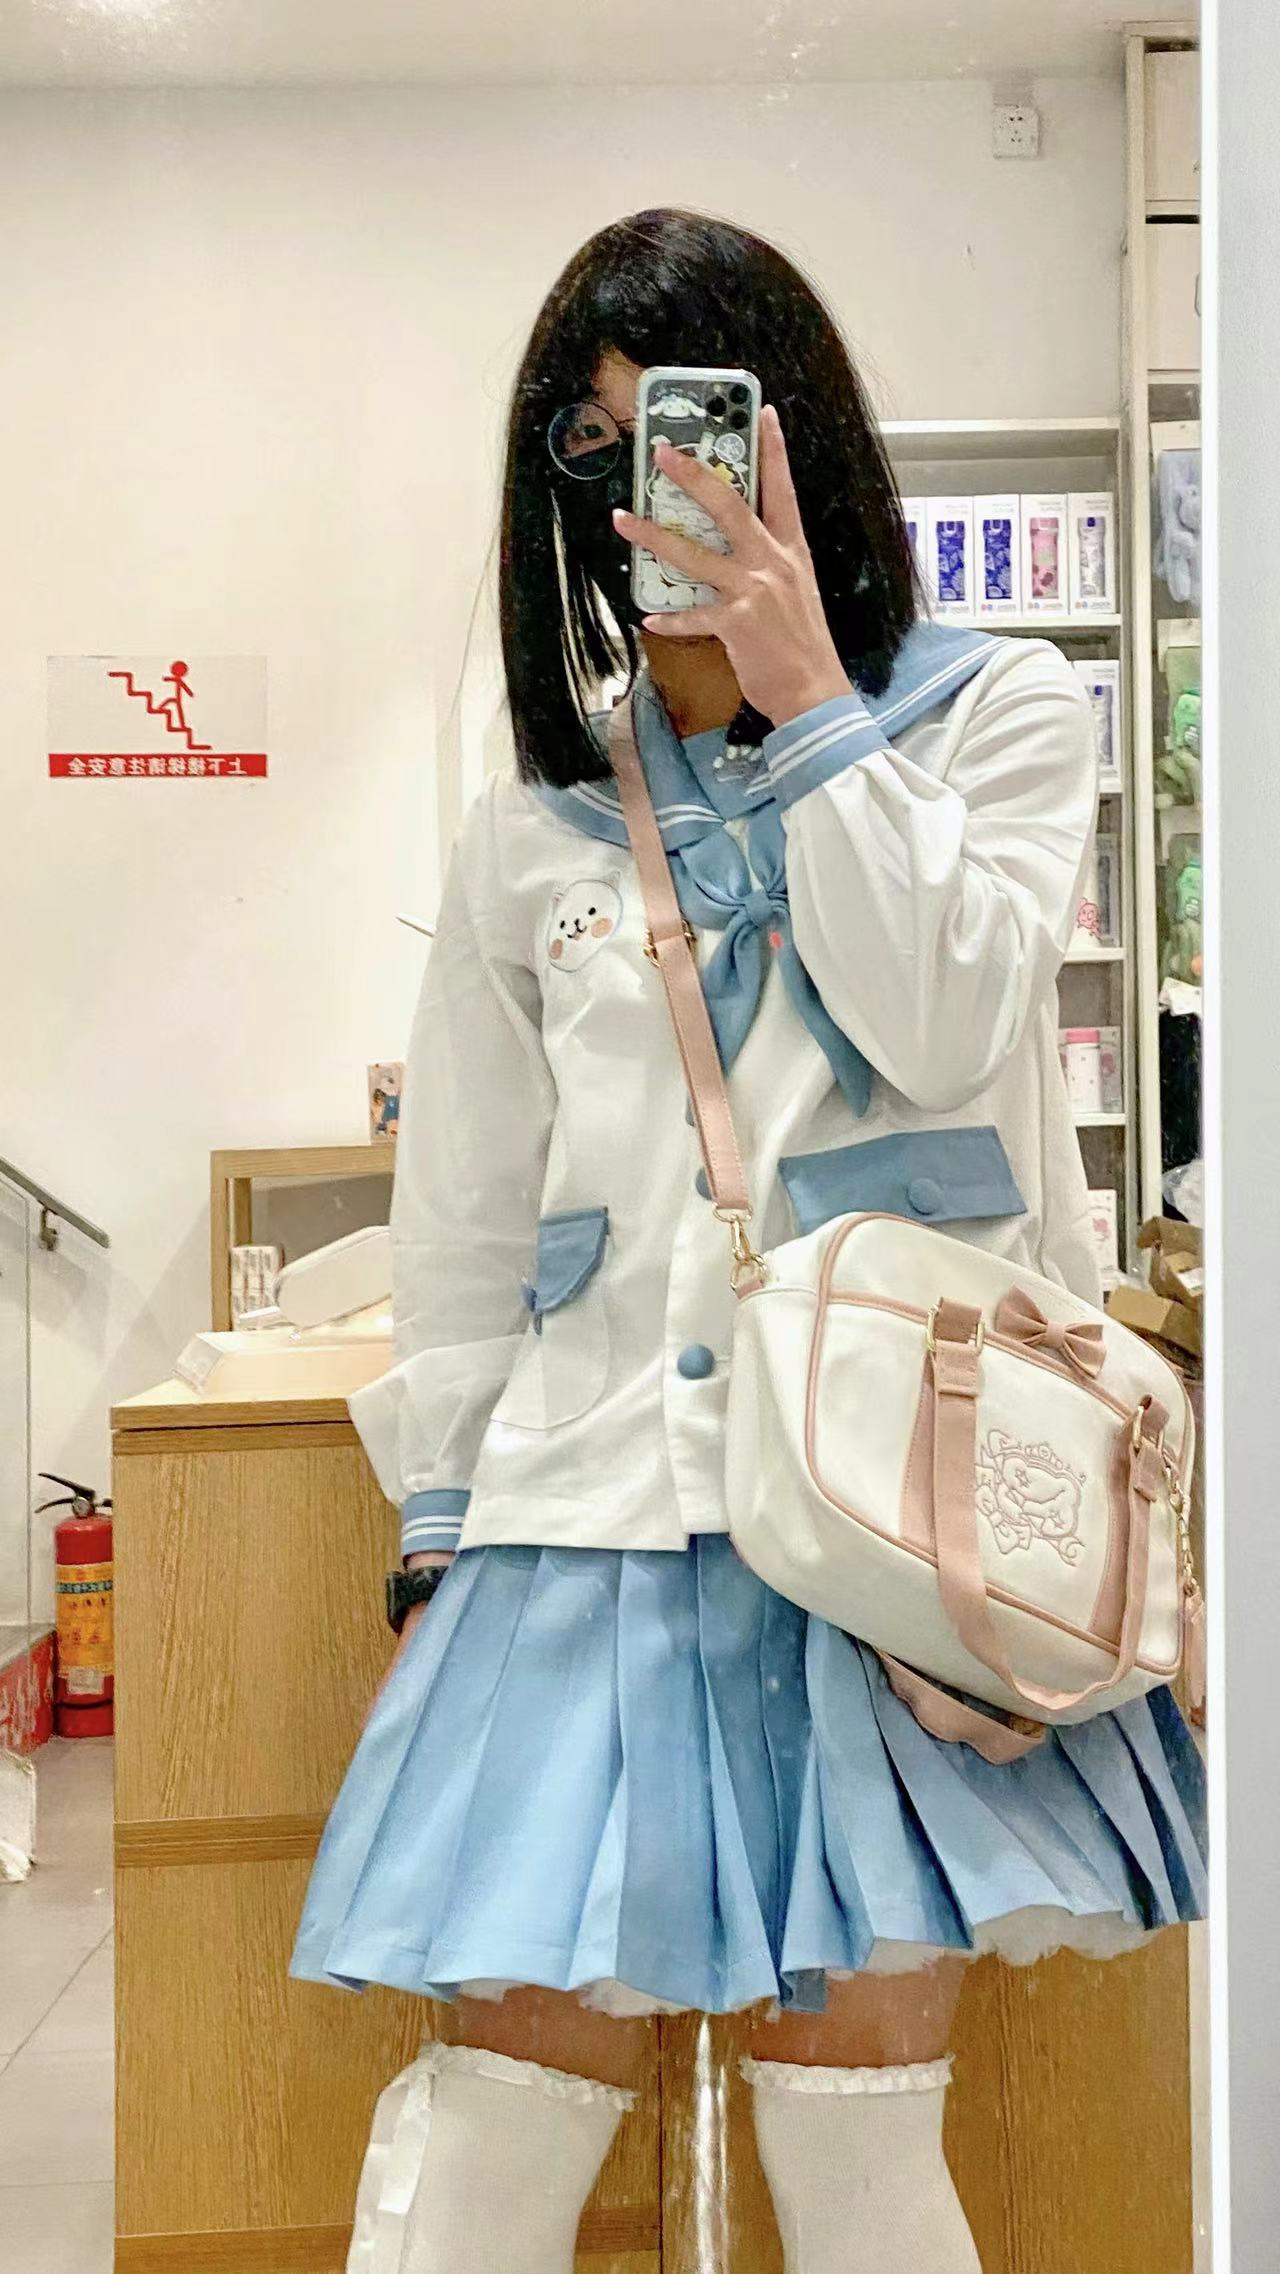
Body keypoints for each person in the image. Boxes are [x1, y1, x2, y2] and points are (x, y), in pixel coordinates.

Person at [290, 209, 1207, 2274]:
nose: (651, 491)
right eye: (598, 448)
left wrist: (802, 690)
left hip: (902, 1537)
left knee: (857, 2147)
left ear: (796, 439)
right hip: (588, 1528)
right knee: (484, 2133)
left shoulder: (998, 717)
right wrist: (435, 1534)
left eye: (687, 432)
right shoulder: (534, 822)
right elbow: (469, 1216)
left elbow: (945, 1017)